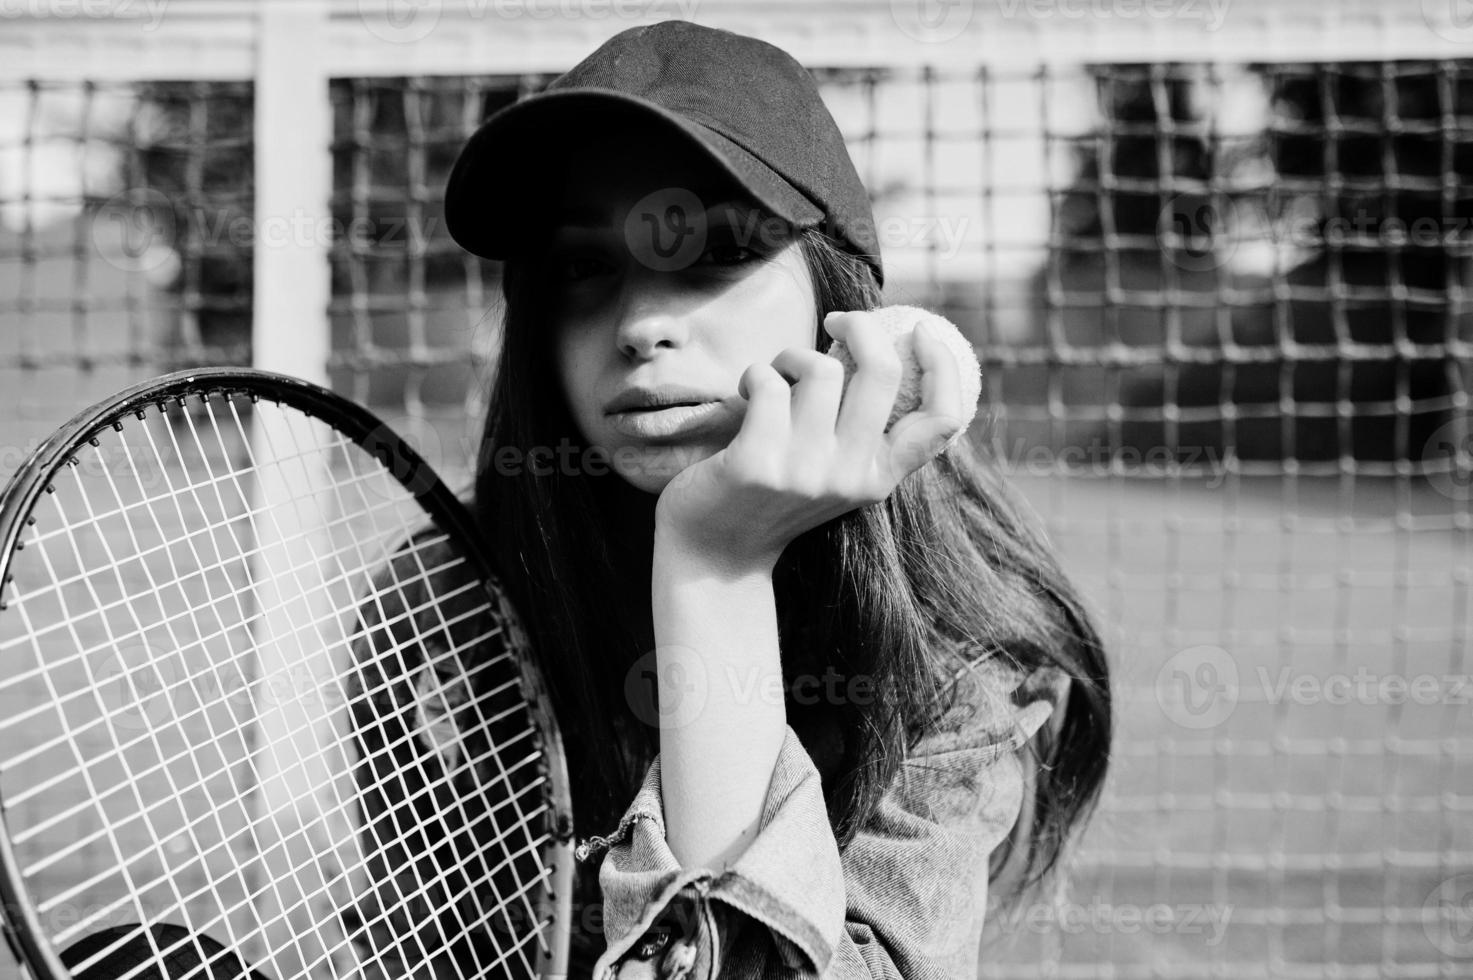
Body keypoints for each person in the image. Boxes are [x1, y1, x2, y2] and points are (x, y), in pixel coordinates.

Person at [366, 18, 1112, 980]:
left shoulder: (961, 653)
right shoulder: (443, 603)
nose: (640, 326)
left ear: (841, 309)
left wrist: (712, 565)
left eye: (713, 252)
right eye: (584, 269)